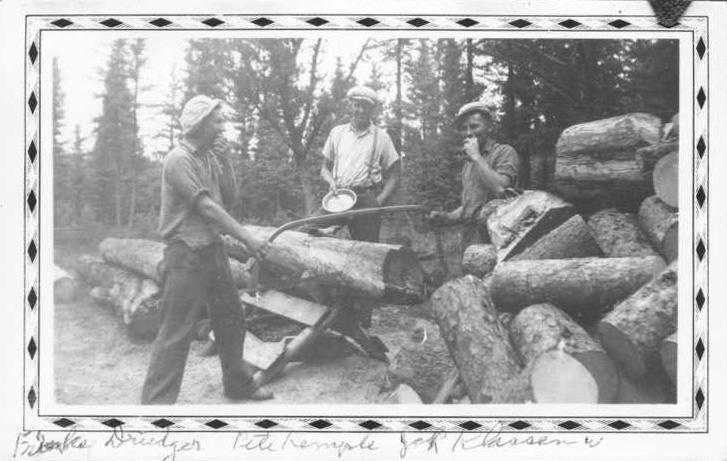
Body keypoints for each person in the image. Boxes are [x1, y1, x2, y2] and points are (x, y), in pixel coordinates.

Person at [141, 95, 273, 404]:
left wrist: (226, 162)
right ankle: (154, 408)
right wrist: (249, 240)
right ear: (200, 124)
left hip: (212, 250)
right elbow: (207, 208)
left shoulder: (209, 157)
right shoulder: (179, 159)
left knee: (231, 318)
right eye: (217, 120)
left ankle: (238, 385)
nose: (222, 125)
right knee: (175, 332)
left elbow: (232, 197)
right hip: (185, 254)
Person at [427, 101, 520, 250]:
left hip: (497, 237)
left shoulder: (504, 152)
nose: (468, 133)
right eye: (464, 128)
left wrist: (476, 157)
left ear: (489, 126)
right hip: (470, 237)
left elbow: (501, 189)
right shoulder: (469, 164)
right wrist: (447, 217)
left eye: (474, 126)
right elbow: (470, 207)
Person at [317, 85, 401, 243]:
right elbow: (324, 169)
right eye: (358, 105)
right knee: (307, 230)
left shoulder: (382, 137)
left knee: (367, 250)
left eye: (366, 107)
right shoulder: (337, 133)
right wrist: (331, 181)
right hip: (339, 197)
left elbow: (395, 176)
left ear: (372, 110)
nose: (361, 110)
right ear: (351, 106)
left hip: (366, 200)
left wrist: (378, 201)